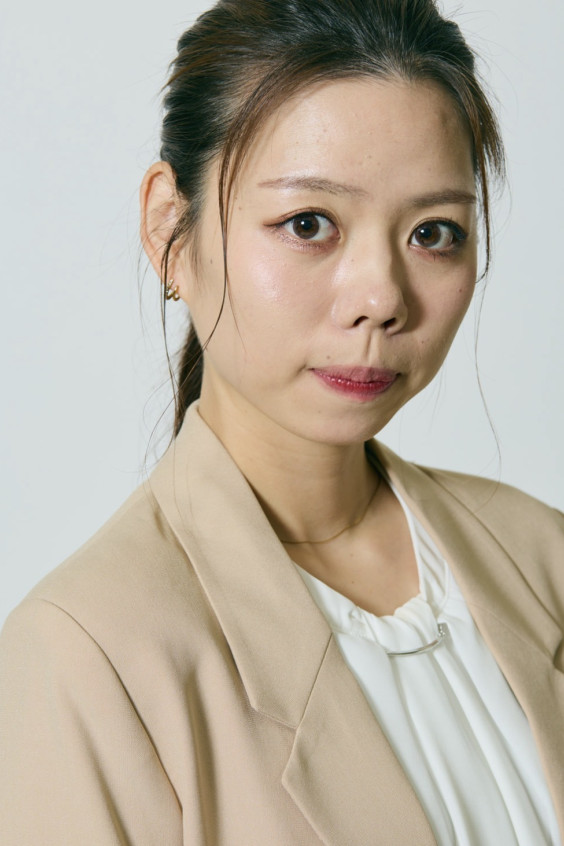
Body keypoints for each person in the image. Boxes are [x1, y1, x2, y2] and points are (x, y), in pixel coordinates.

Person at [1, 0, 563, 843]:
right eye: (309, 225)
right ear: (170, 228)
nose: (380, 297)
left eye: (433, 233)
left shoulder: (544, 556)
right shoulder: (89, 651)